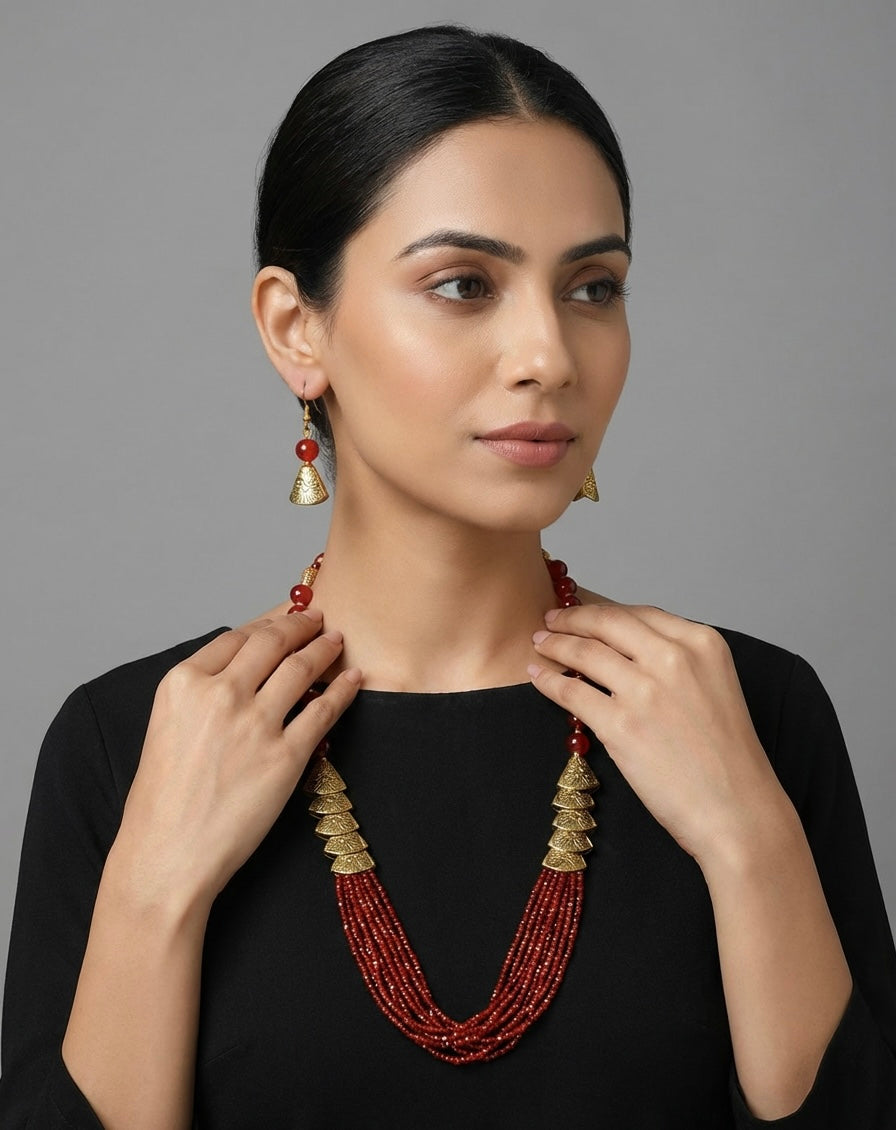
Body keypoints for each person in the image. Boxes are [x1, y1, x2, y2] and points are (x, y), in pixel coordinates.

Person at [1, 21, 894, 1130]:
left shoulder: (749, 709)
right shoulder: (133, 741)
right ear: (296, 329)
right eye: (465, 283)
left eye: (593, 288)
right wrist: (153, 891)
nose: (549, 356)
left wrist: (749, 838)